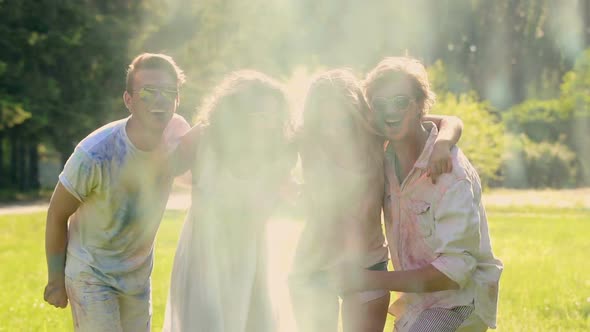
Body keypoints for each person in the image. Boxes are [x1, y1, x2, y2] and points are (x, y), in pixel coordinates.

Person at [334, 57, 503, 332]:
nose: (391, 111)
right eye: (380, 104)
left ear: (420, 105)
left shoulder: (450, 174)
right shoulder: (383, 157)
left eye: (400, 102)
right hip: (417, 302)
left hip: (459, 302)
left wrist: (369, 280)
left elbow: (454, 272)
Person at [290, 69, 464, 332]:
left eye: (341, 118)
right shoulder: (305, 140)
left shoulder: (375, 135)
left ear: (356, 113)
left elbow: (450, 121)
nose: (332, 127)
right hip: (314, 267)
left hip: (367, 262)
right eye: (323, 118)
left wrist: (442, 144)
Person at [43, 53, 191, 331]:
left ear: (177, 100)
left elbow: (208, 158)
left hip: (136, 277)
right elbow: (57, 213)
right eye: (148, 92)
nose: (160, 100)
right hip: (91, 274)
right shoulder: (96, 153)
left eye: (169, 92)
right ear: (128, 100)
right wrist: (55, 280)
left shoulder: (177, 138)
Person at [164, 70, 297, 332]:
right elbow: (163, 171)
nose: (266, 124)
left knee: (254, 322)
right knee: (205, 322)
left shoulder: (278, 154)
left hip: (250, 253)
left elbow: (288, 200)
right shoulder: (204, 138)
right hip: (204, 253)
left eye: (273, 117)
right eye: (259, 115)